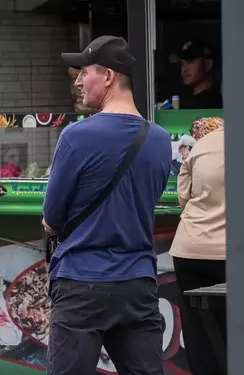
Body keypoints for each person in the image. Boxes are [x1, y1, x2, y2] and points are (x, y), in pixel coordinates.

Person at [43, 36, 172, 375]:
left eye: (84, 72)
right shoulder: (160, 140)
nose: (78, 80)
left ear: (109, 76)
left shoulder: (76, 136)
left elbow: (52, 217)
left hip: (80, 284)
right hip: (138, 284)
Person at [172, 117, 226, 375]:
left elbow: (183, 198)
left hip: (190, 249)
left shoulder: (199, 149)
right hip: (233, 251)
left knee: (197, 331)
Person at [177, 40, 222, 109]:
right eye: (182, 63)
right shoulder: (186, 101)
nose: (185, 69)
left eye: (190, 62)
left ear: (208, 64)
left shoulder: (216, 102)